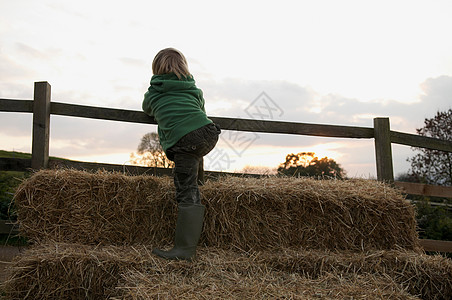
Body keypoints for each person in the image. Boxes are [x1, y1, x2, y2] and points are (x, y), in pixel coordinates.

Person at [142, 48, 221, 261]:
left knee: (186, 189)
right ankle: (200, 183)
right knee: (193, 162)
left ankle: (185, 249)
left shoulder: (155, 91)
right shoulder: (193, 89)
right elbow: (200, 109)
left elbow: (146, 109)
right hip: (209, 132)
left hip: (184, 140)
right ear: (184, 67)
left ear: (156, 69)